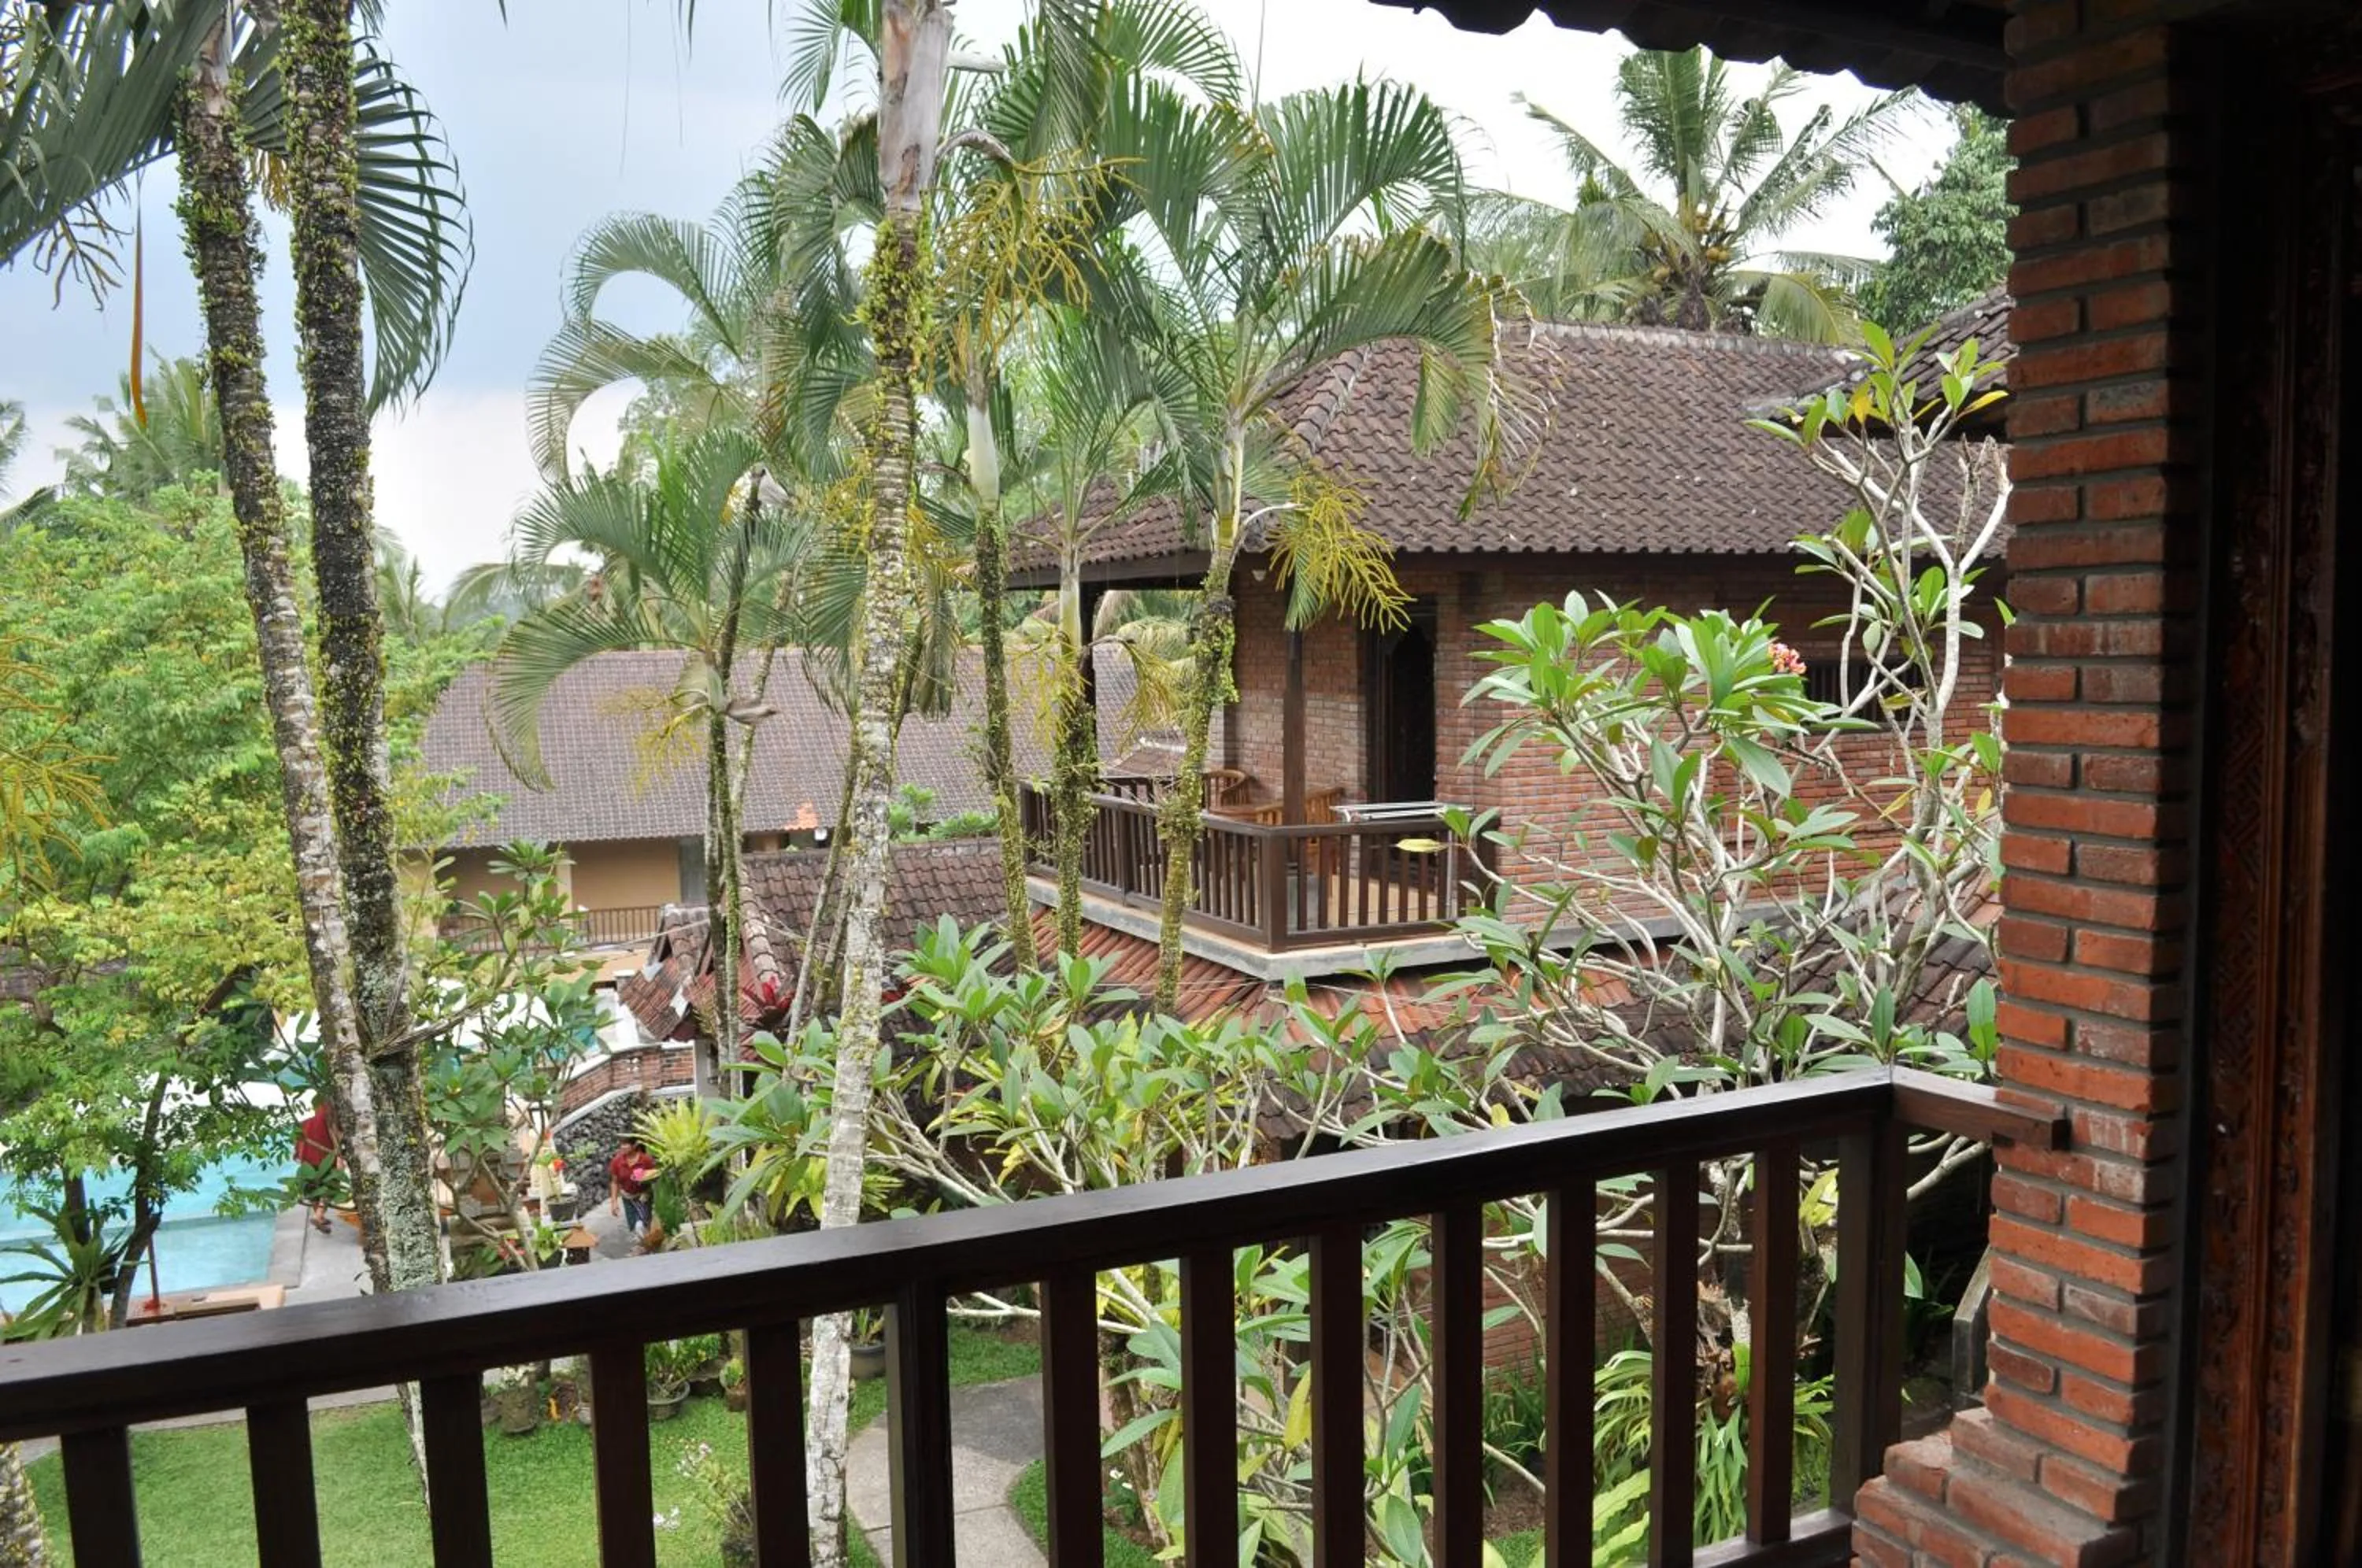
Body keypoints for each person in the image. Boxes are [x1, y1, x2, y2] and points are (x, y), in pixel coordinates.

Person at [294, 1096, 340, 1233]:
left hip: (306, 1150)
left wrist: (296, 1150)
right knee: (331, 1184)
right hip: (324, 1152)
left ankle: (319, 1217)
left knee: (313, 1185)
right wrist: (339, 1155)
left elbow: (298, 1131)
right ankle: (318, 1215)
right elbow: (334, 1132)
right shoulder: (329, 1110)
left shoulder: (305, 1107)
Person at [608, 1137, 657, 1236]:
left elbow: (655, 1177)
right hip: (628, 1198)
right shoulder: (617, 1162)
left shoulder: (646, 1160)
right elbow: (614, 1182)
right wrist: (614, 1203)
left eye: (626, 1144)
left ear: (634, 1145)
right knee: (634, 1226)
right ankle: (644, 1245)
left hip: (643, 1197)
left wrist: (645, 1177)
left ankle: (646, 1245)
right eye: (621, 1144)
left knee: (642, 1224)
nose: (623, 1147)